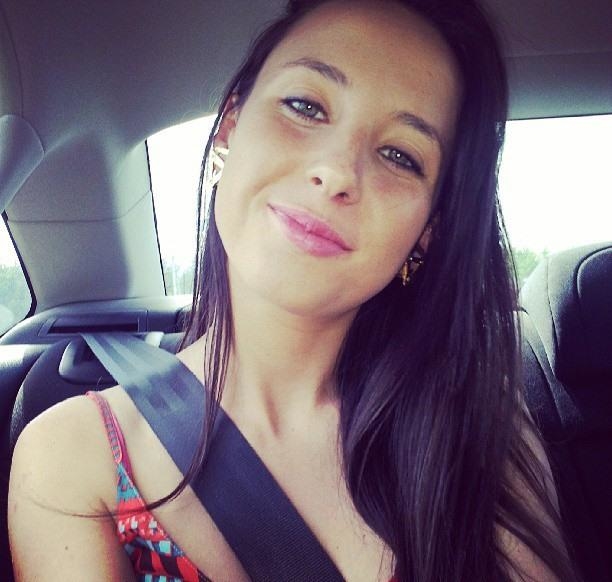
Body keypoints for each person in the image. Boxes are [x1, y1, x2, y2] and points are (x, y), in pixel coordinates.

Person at [8, 0, 583, 580]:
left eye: (400, 155)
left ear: (428, 230)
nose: (336, 173)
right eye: (305, 106)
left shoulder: (479, 432)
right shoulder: (73, 459)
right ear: (230, 129)